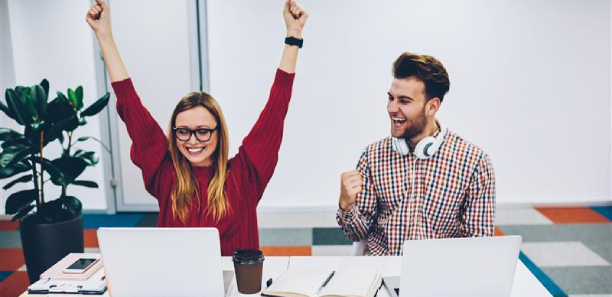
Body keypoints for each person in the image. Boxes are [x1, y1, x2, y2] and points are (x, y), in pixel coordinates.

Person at [86, 0, 308, 256]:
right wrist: (104, 35)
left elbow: (276, 107)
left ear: (218, 132)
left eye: (203, 131)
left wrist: (294, 36)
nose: (192, 140)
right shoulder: (165, 173)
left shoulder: (245, 175)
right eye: (183, 131)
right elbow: (129, 104)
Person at [336, 53, 495, 256]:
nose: (392, 108)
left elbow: (478, 244)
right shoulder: (372, 156)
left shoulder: (474, 162)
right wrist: (346, 205)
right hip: (380, 271)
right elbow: (357, 233)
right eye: (391, 98)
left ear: (432, 106)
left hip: (437, 276)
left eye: (404, 101)